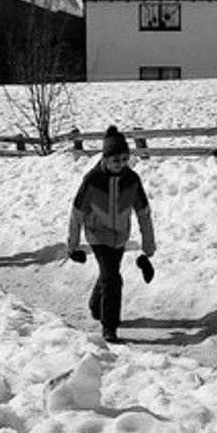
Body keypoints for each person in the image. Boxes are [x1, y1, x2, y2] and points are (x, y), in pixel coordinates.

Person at [67, 127, 157, 345]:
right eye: (116, 159)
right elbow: (77, 213)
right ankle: (110, 326)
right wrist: (73, 245)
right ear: (105, 159)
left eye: (125, 158)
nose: (121, 163)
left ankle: (95, 304)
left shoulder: (132, 180)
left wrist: (148, 246)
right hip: (97, 235)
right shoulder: (92, 180)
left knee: (109, 275)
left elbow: (143, 213)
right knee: (113, 278)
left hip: (120, 236)